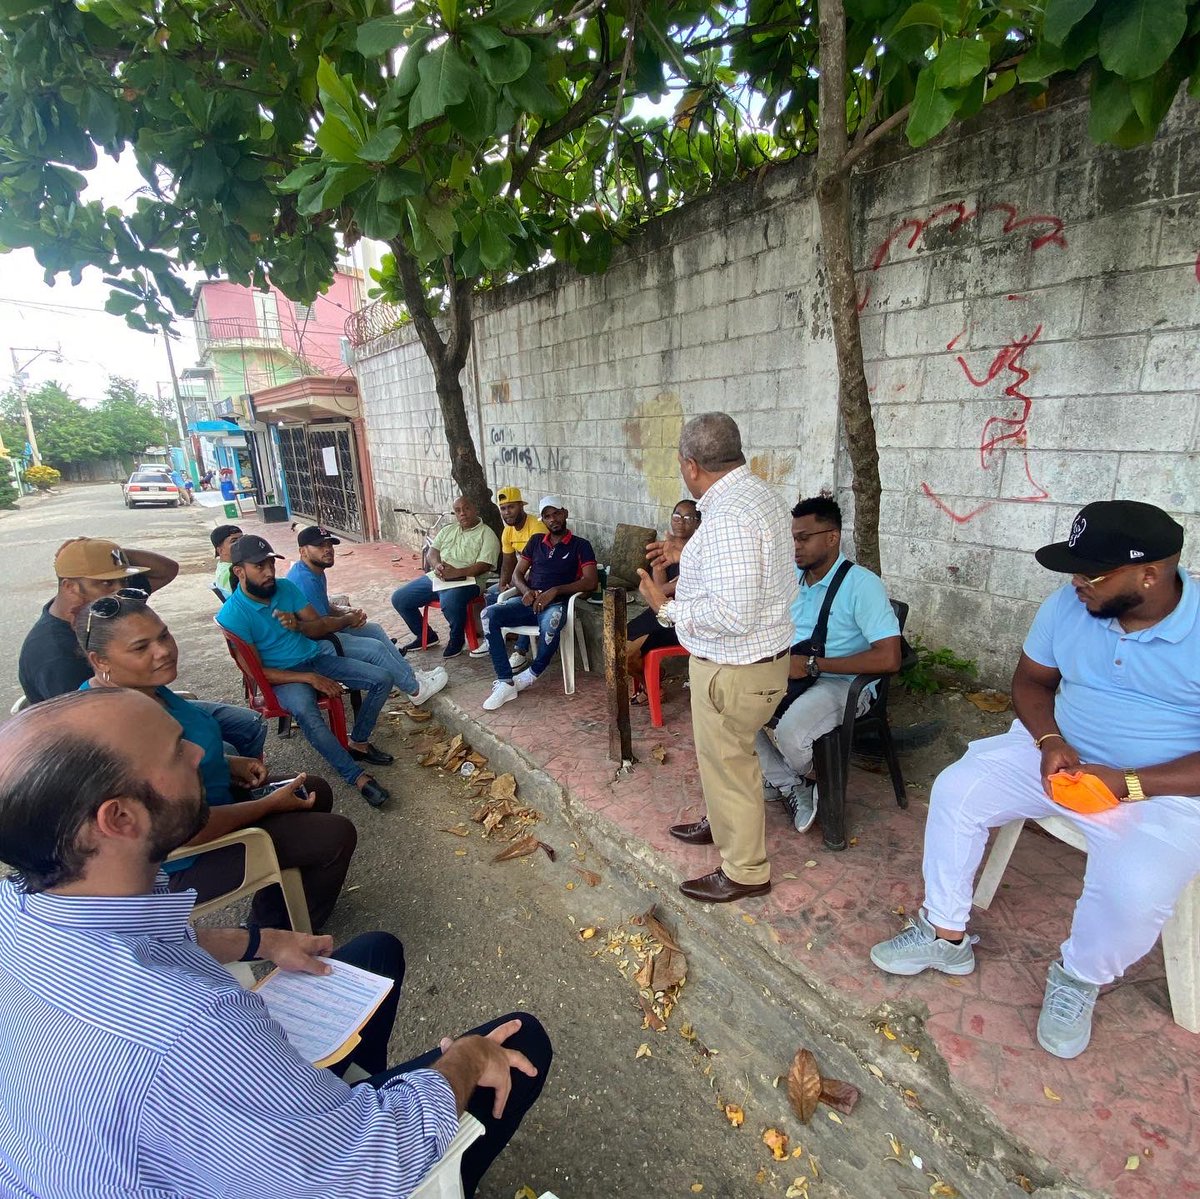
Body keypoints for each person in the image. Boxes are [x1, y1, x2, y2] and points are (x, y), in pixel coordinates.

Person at [0, 688, 552, 1199]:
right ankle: (370, 1110)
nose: (197, 752)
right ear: (118, 818)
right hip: (318, 1166)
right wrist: (464, 1059)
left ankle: (342, 1092)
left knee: (375, 953)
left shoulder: (19, 908)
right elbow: (374, 1165)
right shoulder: (194, 1028)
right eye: (174, 752)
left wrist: (262, 941)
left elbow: (151, 940)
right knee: (520, 1040)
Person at [871, 501, 1200, 1060]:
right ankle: (946, 934)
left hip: (1164, 787)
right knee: (957, 790)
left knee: (1135, 889)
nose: (1076, 585)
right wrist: (1049, 741)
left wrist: (1131, 783)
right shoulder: (1070, 607)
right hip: (1060, 753)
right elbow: (1031, 682)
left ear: (1150, 574)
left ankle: (1078, 978)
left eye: (1090, 574)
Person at [77, 592, 356, 930]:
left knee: (314, 789)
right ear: (100, 660)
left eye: (163, 634)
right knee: (337, 834)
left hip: (209, 806)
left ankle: (281, 891)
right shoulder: (117, 726)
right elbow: (185, 829)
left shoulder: (143, 689)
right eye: (140, 648)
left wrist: (228, 764)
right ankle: (276, 930)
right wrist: (266, 806)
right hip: (180, 862)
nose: (163, 650)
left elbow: (190, 752)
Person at [638, 413, 796, 904]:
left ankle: (746, 871)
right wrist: (690, 557)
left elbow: (732, 614)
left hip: (734, 668)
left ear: (689, 464)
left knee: (731, 767)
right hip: (755, 661)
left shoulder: (727, 518)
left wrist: (665, 608)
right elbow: (742, 577)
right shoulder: (757, 495)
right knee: (724, 763)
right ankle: (722, 822)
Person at [19, 536, 266, 756]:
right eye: (106, 583)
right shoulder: (54, 656)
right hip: (123, 729)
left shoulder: (109, 608)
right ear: (70, 586)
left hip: (150, 699)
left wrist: (105, 553)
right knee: (222, 750)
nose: (120, 590)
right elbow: (89, 741)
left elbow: (167, 569)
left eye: (123, 580)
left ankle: (241, 788)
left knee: (251, 723)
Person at [217, 535, 397, 807]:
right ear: (239, 571)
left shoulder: (286, 588)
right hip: (283, 677)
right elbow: (258, 673)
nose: (268, 573)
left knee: (382, 678)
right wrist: (309, 679)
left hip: (313, 657)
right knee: (308, 714)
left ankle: (357, 741)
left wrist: (298, 627)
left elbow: (320, 626)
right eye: (259, 567)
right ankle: (356, 776)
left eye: (270, 564)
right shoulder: (234, 614)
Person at [757, 497, 901, 834]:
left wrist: (812, 665)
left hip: (843, 682)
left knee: (791, 735)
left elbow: (890, 658)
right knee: (734, 708)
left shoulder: (862, 585)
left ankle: (791, 779)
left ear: (832, 537)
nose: (796, 546)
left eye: (804, 538)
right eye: (793, 537)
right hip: (793, 670)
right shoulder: (794, 577)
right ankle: (794, 784)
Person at [287, 524, 448, 705]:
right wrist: (348, 619)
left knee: (374, 630)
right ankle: (416, 690)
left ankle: (409, 675)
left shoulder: (314, 569)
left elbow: (324, 606)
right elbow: (321, 625)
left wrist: (347, 612)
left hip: (324, 633)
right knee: (375, 648)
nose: (327, 550)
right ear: (303, 551)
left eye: (329, 545)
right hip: (316, 644)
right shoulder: (303, 580)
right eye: (320, 546)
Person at [481, 497, 598, 712]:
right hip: (529, 602)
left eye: (556, 513)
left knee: (552, 622)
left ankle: (530, 675)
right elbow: (517, 573)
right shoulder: (536, 541)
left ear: (565, 513)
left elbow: (591, 581)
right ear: (542, 519)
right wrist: (526, 591)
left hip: (556, 605)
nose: (553, 519)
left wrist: (555, 591)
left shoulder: (580, 545)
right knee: (489, 615)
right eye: (547, 516)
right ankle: (505, 681)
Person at [391, 496, 500, 658]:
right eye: (458, 511)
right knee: (400, 598)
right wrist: (437, 565)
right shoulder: (448, 529)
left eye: (466, 509)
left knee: (450, 601)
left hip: (470, 580)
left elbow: (483, 565)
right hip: (440, 577)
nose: (462, 513)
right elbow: (432, 552)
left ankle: (456, 639)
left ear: (475, 509)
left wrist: (457, 572)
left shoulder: (487, 534)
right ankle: (426, 636)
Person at [470, 486, 547, 666]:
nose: (507, 512)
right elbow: (508, 561)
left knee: (524, 597)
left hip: (540, 578)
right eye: (503, 508)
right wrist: (504, 583)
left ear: (521, 506)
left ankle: (520, 650)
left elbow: (539, 565)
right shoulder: (508, 531)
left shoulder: (536, 528)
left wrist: (516, 584)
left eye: (511, 507)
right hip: (522, 576)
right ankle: (492, 640)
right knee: (492, 593)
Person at [625, 500, 700, 684]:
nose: (681, 521)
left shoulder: (700, 552)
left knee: (629, 653)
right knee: (618, 645)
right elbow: (658, 592)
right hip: (658, 611)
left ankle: (652, 686)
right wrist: (671, 583)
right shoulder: (664, 549)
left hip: (682, 620)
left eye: (688, 517)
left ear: (698, 523)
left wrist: (671, 587)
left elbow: (660, 591)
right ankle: (650, 682)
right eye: (677, 516)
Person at [211, 523, 242, 598]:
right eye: (234, 541)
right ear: (221, 550)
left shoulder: (223, 565)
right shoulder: (232, 573)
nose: (241, 543)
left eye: (242, 539)